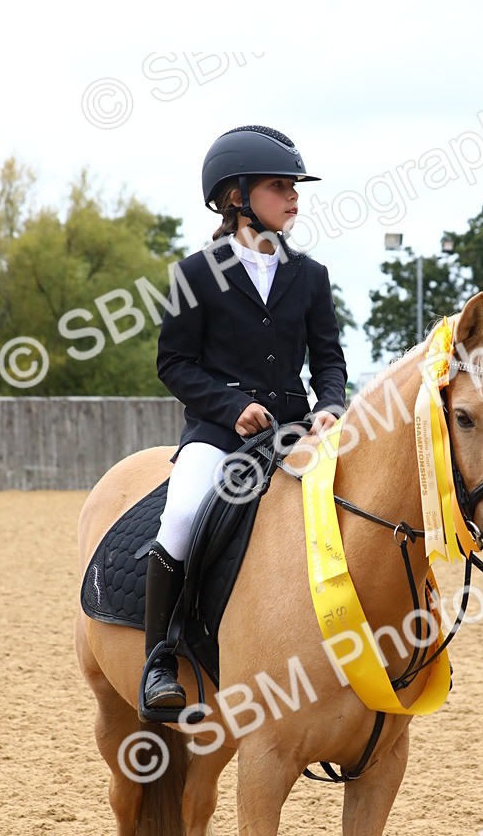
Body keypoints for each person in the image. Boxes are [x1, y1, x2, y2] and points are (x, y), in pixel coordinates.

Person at [142, 125, 348, 713]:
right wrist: (232, 408)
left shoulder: (309, 276)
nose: (294, 197)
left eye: (294, 187)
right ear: (237, 197)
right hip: (218, 435)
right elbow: (174, 364)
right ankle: (160, 660)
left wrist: (330, 407)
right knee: (181, 514)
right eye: (280, 186)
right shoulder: (193, 274)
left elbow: (328, 359)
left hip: (297, 433)